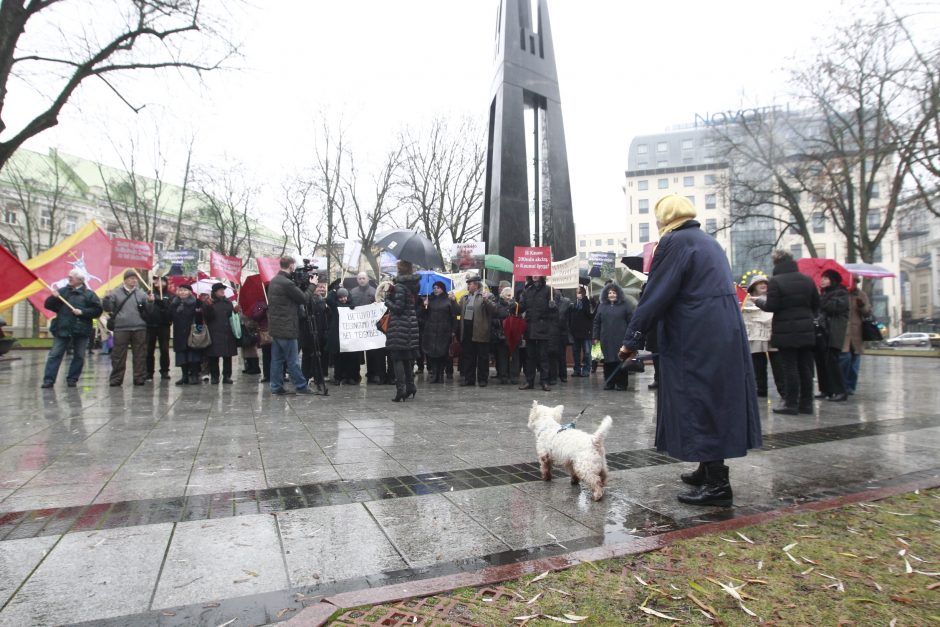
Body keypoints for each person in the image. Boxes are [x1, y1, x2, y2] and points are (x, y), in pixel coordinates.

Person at [619, 195, 761, 507]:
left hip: (695, 335)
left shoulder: (673, 243)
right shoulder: (708, 241)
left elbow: (655, 294)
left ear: (664, 219)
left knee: (698, 400)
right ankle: (707, 467)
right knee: (712, 399)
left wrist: (632, 339)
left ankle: (718, 485)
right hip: (722, 332)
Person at [755, 249, 820, 415]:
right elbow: (816, 304)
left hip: (785, 331)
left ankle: (790, 404)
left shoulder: (776, 281)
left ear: (776, 263)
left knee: (789, 367)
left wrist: (760, 302)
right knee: (805, 368)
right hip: (806, 330)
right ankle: (807, 404)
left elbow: (772, 306)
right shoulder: (807, 280)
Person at [41, 269, 103, 388]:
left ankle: (72, 379)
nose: (69, 278)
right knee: (55, 354)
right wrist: (53, 297)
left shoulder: (90, 294)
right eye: (69, 276)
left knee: (79, 356)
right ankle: (49, 380)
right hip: (63, 329)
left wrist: (83, 312)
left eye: (72, 277)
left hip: (81, 330)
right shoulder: (62, 292)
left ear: (80, 280)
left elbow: (97, 311)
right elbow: (48, 305)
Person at [266, 257, 315, 395]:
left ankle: (276, 387)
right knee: (292, 360)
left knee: (277, 360)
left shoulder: (275, 280)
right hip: (287, 327)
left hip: (276, 328)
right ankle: (301, 386)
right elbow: (304, 298)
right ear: (291, 265)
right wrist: (312, 285)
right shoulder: (286, 283)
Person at [102, 269, 152, 387]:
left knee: (140, 354)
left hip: (139, 328)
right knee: (118, 355)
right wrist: (106, 298)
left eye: (135, 278)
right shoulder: (115, 293)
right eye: (131, 278)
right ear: (125, 280)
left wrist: (150, 302)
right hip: (121, 328)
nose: (134, 280)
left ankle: (139, 377)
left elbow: (149, 311)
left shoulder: (141, 293)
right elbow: (108, 308)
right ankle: (116, 379)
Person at [741, 275, 783, 398]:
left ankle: (783, 390)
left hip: (772, 334)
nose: (763, 285)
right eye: (760, 283)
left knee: (778, 366)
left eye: (765, 283)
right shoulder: (747, 301)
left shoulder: (773, 299)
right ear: (754, 286)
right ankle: (761, 390)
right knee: (758, 366)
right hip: (755, 336)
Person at [385, 260, 421, 401]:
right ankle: (410, 386)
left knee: (397, 359)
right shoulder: (413, 286)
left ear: (400, 270)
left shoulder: (400, 286)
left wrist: (387, 298)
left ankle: (401, 390)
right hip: (410, 326)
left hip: (399, 326)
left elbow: (398, 308)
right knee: (406, 358)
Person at [815, 270, 849, 402]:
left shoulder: (841, 293)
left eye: (826, 278)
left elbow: (834, 307)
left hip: (833, 332)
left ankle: (840, 391)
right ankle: (826, 389)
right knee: (821, 361)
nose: (822, 280)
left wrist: (820, 299)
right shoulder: (824, 294)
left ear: (833, 280)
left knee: (832, 362)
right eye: (822, 278)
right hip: (822, 332)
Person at [457, 276, 498, 387]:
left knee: (482, 357)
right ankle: (469, 379)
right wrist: (452, 301)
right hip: (467, 330)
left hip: (481, 330)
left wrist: (486, 300)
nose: (468, 286)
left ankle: (482, 379)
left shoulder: (487, 295)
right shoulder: (464, 297)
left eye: (469, 284)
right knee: (469, 356)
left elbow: (494, 309)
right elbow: (457, 311)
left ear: (476, 285)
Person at [593, 283, 634, 391]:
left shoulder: (625, 305)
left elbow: (631, 322)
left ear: (618, 294)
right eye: (609, 293)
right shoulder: (601, 306)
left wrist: (630, 337)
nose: (612, 295)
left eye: (614, 293)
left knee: (621, 361)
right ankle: (609, 382)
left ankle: (622, 384)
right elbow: (597, 322)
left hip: (621, 339)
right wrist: (595, 337)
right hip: (606, 339)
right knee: (608, 362)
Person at [518, 276, 554, 391]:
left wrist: (553, 306)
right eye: (532, 273)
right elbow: (522, 308)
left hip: (543, 328)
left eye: (537, 273)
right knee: (530, 357)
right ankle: (529, 381)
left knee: (543, 356)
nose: (535, 275)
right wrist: (515, 306)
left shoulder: (548, 290)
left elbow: (555, 311)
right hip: (530, 328)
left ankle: (544, 381)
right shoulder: (527, 290)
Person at [349, 271, 384, 384]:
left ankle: (373, 374)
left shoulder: (375, 292)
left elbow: (380, 306)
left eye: (363, 278)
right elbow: (348, 305)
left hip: (371, 327)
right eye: (359, 278)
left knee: (372, 352)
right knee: (355, 352)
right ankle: (354, 375)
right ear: (357, 280)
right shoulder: (352, 292)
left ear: (368, 279)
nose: (362, 280)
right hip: (357, 327)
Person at [420, 281, 457, 384]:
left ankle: (440, 375)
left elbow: (455, 315)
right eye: (434, 287)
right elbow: (423, 315)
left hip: (444, 331)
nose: (435, 289)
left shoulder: (448, 300)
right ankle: (434, 374)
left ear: (442, 288)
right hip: (431, 331)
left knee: (442, 354)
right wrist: (424, 306)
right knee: (432, 354)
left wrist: (453, 330)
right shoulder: (429, 299)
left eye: (437, 287)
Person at [203, 283, 239, 384]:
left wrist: (236, 311)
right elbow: (206, 317)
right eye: (220, 290)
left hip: (227, 332)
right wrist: (208, 307)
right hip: (214, 332)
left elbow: (231, 316)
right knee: (213, 356)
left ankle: (227, 376)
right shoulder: (209, 303)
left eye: (223, 290)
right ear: (214, 292)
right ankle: (215, 376)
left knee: (227, 356)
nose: (222, 291)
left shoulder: (228, 302)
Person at [841, 277, 872, 394]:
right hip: (843, 331)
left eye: (854, 282)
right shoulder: (842, 293)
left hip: (856, 331)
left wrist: (862, 305)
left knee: (855, 360)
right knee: (844, 358)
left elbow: (867, 312)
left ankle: (850, 387)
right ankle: (842, 385)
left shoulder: (861, 295)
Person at [169, 284, 204, 385]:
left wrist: (199, 309)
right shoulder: (174, 303)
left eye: (185, 290)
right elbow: (169, 317)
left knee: (193, 355)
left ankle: (194, 375)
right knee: (181, 355)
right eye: (180, 290)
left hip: (192, 331)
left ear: (190, 292)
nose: (182, 292)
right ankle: (184, 376)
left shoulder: (195, 303)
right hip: (179, 332)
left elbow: (200, 319)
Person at [325, 286, 361, 384]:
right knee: (338, 358)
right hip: (338, 336)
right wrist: (334, 290)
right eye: (340, 297)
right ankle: (338, 377)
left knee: (350, 358)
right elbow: (328, 299)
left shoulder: (352, 305)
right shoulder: (335, 305)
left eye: (345, 297)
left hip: (349, 337)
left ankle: (350, 377)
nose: (343, 299)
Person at [145, 275, 172, 381]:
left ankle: (165, 371)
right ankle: (149, 372)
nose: (158, 282)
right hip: (150, 325)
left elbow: (170, 311)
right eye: (156, 280)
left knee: (164, 349)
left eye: (161, 280)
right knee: (148, 350)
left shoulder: (169, 295)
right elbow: (144, 308)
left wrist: (162, 304)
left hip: (163, 326)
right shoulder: (149, 293)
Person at [569, 286, 595, 377]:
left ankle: (586, 369)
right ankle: (577, 369)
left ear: (583, 293)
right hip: (575, 333)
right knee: (576, 353)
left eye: (580, 292)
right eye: (577, 292)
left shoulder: (588, 303)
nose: (578, 294)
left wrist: (592, 303)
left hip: (586, 332)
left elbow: (591, 315)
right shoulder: (574, 304)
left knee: (587, 352)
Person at [548, 289, 572, 384]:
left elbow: (566, 317)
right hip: (551, 332)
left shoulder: (566, 302)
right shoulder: (548, 300)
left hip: (562, 332)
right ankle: (552, 376)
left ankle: (563, 375)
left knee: (561, 355)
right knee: (551, 355)